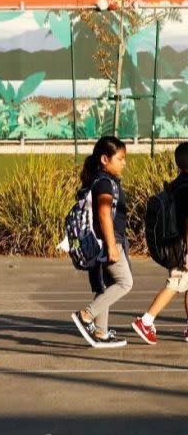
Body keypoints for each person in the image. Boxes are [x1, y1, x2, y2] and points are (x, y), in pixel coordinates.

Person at [71, 136, 132, 348]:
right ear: (105, 159)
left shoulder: (100, 180)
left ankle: (101, 332)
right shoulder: (105, 183)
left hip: (103, 242)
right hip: (109, 240)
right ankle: (86, 315)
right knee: (125, 282)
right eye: (121, 158)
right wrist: (112, 245)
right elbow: (105, 213)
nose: (124, 163)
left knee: (105, 286)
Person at [132, 142, 188, 345]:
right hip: (183, 247)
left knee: (185, 285)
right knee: (174, 284)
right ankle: (146, 321)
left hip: (174, 244)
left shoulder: (176, 184)